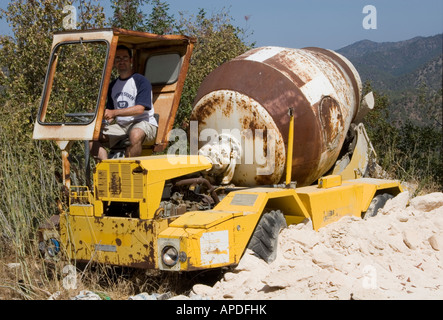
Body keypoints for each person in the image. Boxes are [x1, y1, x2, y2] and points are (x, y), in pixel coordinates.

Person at [90, 45, 157, 160]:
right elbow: (110, 113)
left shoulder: (141, 81)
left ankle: (129, 171)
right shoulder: (112, 86)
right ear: (114, 62)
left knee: (135, 135)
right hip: (122, 126)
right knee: (92, 137)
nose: (122, 61)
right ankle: (106, 167)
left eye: (125, 58)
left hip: (144, 123)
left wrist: (114, 113)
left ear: (131, 61)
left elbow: (140, 109)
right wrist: (102, 122)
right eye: (118, 58)